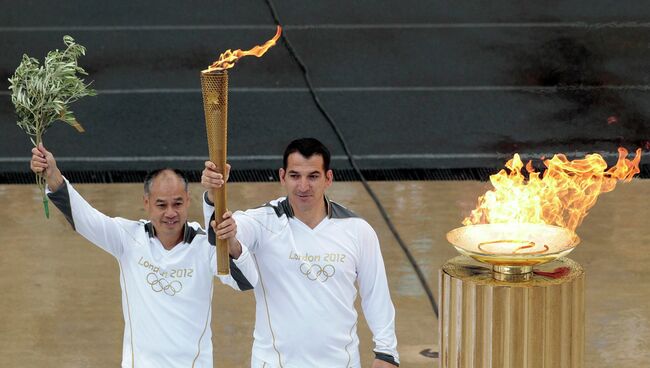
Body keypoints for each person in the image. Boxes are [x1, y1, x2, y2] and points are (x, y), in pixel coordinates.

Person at [30, 143, 256, 368]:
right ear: (146, 203)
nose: (170, 213)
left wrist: (232, 242)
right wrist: (52, 174)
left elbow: (245, 281)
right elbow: (84, 218)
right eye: (161, 205)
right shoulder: (128, 238)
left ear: (188, 201)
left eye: (177, 203)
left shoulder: (204, 244)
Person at [201, 138, 400, 367]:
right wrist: (214, 197)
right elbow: (225, 235)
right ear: (282, 177)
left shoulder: (357, 230)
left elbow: (376, 295)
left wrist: (386, 354)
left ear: (328, 179)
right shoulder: (262, 222)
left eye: (313, 176)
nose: (303, 186)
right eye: (295, 176)